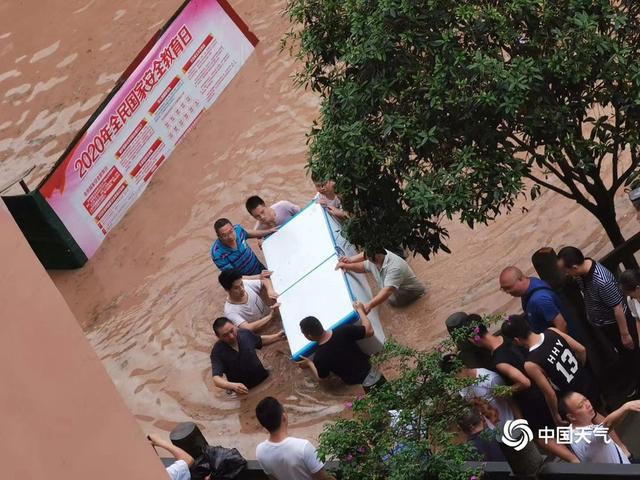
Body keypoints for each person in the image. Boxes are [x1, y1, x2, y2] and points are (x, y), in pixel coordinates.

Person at [470, 316, 579, 462]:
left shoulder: (499, 361)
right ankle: (578, 454)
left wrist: (504, 391)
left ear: (473, 340)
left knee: (541, 437)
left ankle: (575, 460)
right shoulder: (509, 338)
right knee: (560, 429)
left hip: (531, 399)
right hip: (544, 386)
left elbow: (524, 382)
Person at [557, 246, 640, 397]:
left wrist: (624, 333)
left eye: (567, 271)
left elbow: (618, 307)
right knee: (622, 353)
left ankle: (635, 383)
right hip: (603, 321)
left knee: (631, 352)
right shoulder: (582, 273)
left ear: (574, 267)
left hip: (617, 324)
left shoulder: (602, 280)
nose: (566, 274)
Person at [501, 314, 599, 425]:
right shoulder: (552, 331)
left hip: (571, 398)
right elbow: (581, 349)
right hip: (587, 381)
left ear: (516, 340)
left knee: (595, 426)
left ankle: (616, 442)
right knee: (599, 416)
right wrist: (580, 368)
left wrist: (555, 415)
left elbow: (549, 393)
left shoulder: (531, 363)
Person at [296, 301, 386, 392]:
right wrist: (360, 310)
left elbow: (322, 378)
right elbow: (369, 331)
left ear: (309, 336)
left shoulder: (319, 357)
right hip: (372, 371)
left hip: (356, 385)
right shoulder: (343, 331)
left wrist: (309, 363)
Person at [255, 397, 336, 480]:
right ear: (284, 416)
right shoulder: (303, 447)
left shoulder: (260, 451)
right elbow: (323, 478)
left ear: (263, 424)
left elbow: (273, 477)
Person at [558, 391, 639, 464]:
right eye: (581, 406)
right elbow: (607, 424)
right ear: (571, 417)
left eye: (585, 399)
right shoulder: (585, 439)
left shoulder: (571, 429)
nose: (588, 404)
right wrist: (626, 407)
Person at [210, 317, 285, 394]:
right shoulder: (217, 353)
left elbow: (260, 341)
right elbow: (216, 379)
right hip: (244, 391)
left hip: (264, 378)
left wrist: (277, 337)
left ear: (234, 325)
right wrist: (232, 386)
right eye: (225, 335)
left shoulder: (245, 334)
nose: (231, 336)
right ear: (218, 336)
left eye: (232, 331)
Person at [336, 249, 425, 313]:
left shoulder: (395, 267)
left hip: (416, 297)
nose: (367, 259)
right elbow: (363, 267)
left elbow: (387, 291)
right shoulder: (374, 258)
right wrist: (346, 266)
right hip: (398, 299)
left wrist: (369, 305)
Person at [499, 266, 571, 333]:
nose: (507, 292)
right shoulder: (530, 282)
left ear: (520, 279)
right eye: (503, 289)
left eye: (509, 287)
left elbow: (562, 325)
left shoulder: (539, 299)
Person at [210, 218, 275, 276]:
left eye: (231, 231)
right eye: (224, 235)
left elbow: (250, 233)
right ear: (218, 236)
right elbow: (234, 277)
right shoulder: (217, 254)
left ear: (233, 228)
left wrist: (269, 231)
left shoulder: (238, 230)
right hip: (246, 282)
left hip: (259, 268)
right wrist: (259, 277)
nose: (230, 237)